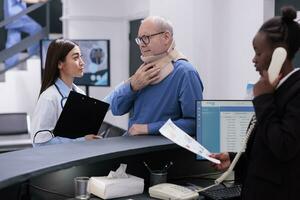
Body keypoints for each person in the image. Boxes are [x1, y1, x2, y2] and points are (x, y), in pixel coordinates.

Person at [210, 6, 300, 200]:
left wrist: (263, 99)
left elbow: (284, 146)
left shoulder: (295, 91)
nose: (253, 60)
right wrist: (234, 158)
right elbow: (264, 142)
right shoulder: (274, 88)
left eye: (258, 53)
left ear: (279, 55)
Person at [106, 16, 203, 136]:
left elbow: (196, 124)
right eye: (140, 39)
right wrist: (132, 86)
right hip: (133, 146)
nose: (141, 44)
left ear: (166, 37)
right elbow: (117, 109)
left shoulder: (185, 73)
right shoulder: (144, 70)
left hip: (158, 151)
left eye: (146, 38)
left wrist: (149, 128)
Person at [31, 39, 99, 146]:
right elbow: (40, 144)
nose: (82, 62)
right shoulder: (49, 97)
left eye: (81, 57)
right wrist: (81, 140)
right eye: (76, 58)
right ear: (59, 64)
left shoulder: (80, 94)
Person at [3, 0, 45, 69]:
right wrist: (39, 0)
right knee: (36, 29)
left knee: (13, 40)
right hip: (16, 15)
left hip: (11, 14)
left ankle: (10, 66)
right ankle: (33, 54)